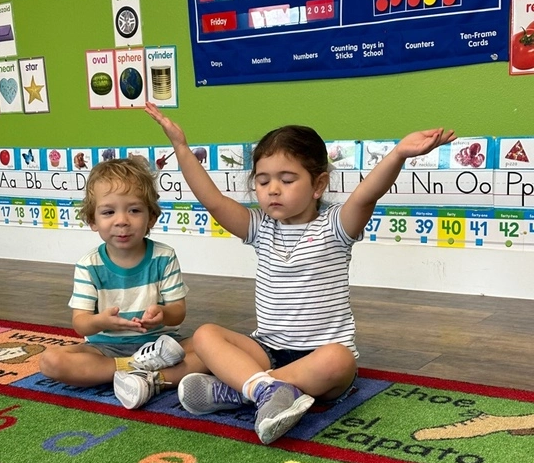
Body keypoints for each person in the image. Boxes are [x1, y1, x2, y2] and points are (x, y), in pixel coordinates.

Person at [145, 101, 455, 444]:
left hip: (319, 358)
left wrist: (398, 154)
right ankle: (265, 389)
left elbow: (367, 195)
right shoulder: (259, 227)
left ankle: (240, 389)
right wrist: (181, 147)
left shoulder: (336, 226)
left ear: (318, 185)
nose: (272, 189)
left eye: (287, 179)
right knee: (205, 335)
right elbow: (213, 201)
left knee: (339, 360)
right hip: (267, 350)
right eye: (263, 181)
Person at [39, 157, 207, 409]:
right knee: (51, 361)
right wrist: (101, 321)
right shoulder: (89, 265)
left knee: (211, 345)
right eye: (109, 212)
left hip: (160, 347)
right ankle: (141, 372)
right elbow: (80, 323)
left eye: (134, 210)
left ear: (151, 217)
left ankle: (148, 376)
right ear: (93, 220)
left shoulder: (164, 256)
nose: (122, 221)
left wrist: (162, 314)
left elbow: (178, 313)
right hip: (104, 349)